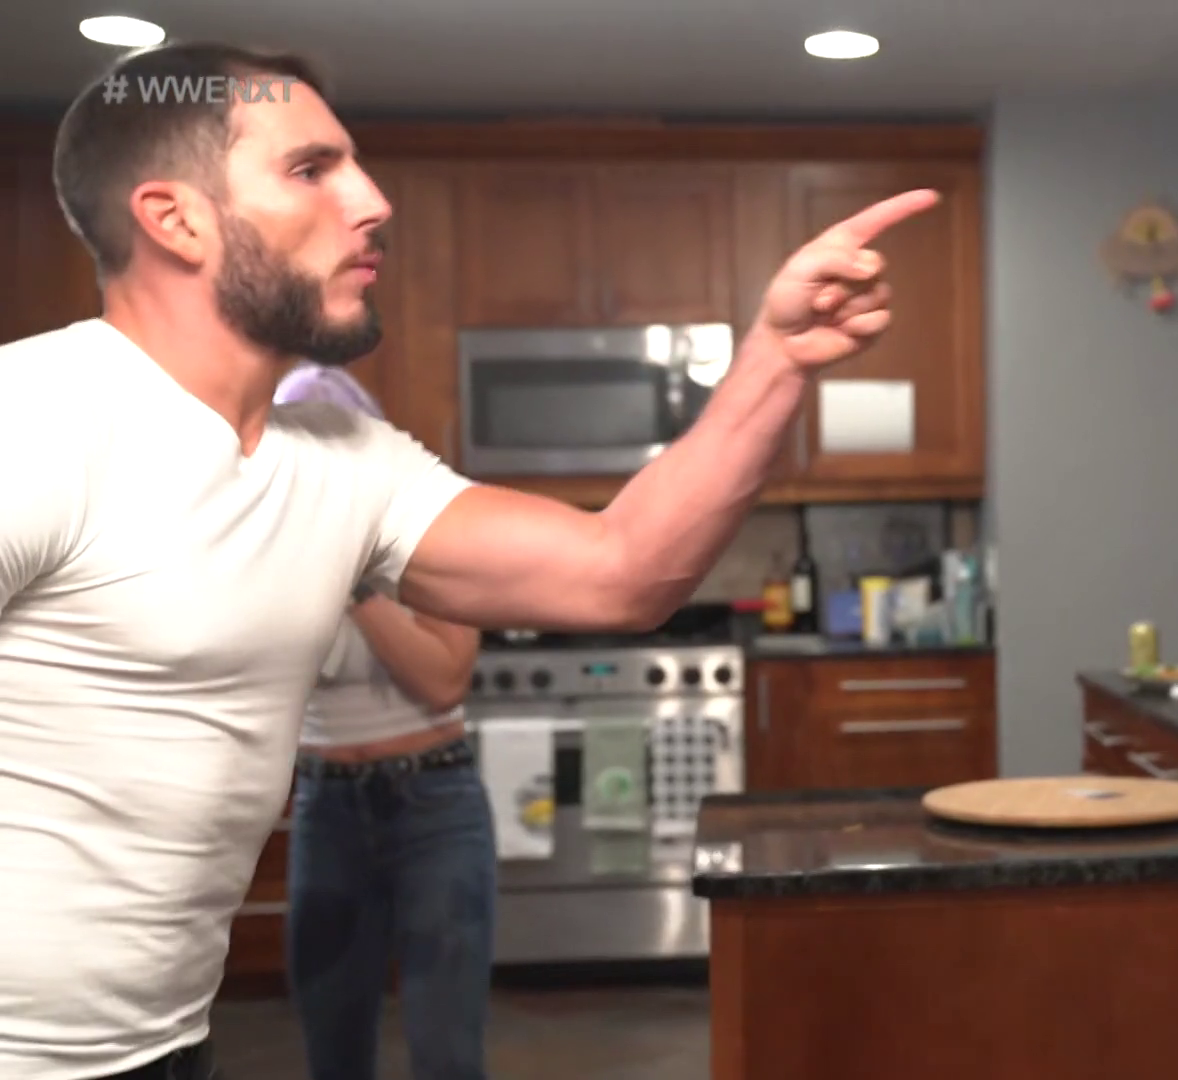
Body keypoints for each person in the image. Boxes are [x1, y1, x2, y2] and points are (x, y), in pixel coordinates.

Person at [0, 39, 936, 1080]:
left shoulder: (344, 463)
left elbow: (621, 569)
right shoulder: (35, 422)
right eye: (311, 169)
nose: (373, 201)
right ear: (176, 219)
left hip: (167, 1044)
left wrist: (775, 358)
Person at [272, 360, 492, 1080]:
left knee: (446, 1053)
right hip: (326, 805)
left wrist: (356, 584)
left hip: (434, 801)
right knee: (333, 1048)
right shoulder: (268, 550)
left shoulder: (422, 536)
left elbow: (443, 679)